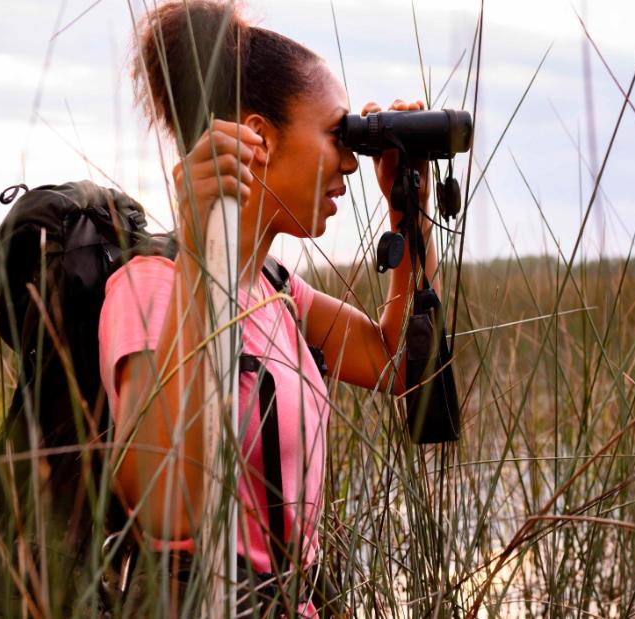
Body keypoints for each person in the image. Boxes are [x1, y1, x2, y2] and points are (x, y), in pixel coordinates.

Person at [98, 1, 440, 615]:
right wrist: (205, 253)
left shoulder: (280, 292)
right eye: (338, 137)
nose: (349, 164)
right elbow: (166, 502)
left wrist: (406, 210)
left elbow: (400, 365)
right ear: (260, 136)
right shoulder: (149, 285)